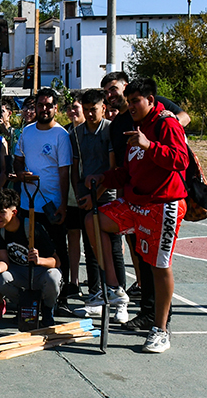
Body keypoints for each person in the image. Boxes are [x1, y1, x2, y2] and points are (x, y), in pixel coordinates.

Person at [85, 78, 189, 353]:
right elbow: (127, 173)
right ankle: (114, 288)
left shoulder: (165, 123)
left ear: (151, 101)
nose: (130, 106)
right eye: (128, 102)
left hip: (163, 203)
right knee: (94, 220)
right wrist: (103, 177)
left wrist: (149, 145)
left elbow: (181, 160)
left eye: (136, 101)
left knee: (159, 265)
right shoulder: (135, 128)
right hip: (136, 202)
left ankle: (160, 330)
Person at [70, 89, 128, 324]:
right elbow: (75, 167)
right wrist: (79, 193)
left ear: (103, 108)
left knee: (113, 247)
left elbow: (114, 168)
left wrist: (99, 193)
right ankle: (96, 296)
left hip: (107, 195)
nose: (89, 114)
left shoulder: (110, 130)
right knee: (91, 247)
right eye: (86, 110)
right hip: (86, 196)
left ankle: (120, 299)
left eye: (93, 109)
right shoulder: (76, 133)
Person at [13, 87, 72, 304]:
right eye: (40, 105)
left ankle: (61, 295)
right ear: (35, 107)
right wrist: (20, 173)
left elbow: (64, 171)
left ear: (55, 108)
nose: (44, 109)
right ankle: (33, 292)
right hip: (30, 204)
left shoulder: (61, 135)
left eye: (48, 105)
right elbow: (18, 159)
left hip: (52, 205)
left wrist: (63, 205)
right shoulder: (27, 132)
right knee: (29, 249)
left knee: (57, 250)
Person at [0, 188, 61, 327]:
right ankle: (24, 306)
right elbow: (5, 261)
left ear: (14, 213)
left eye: (2, 212)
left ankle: (47, 309)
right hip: (19, 272)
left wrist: (39, 261)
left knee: (53, 277)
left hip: (39, 272)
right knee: (1, 279)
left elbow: (56, 261)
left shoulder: (33, 228)